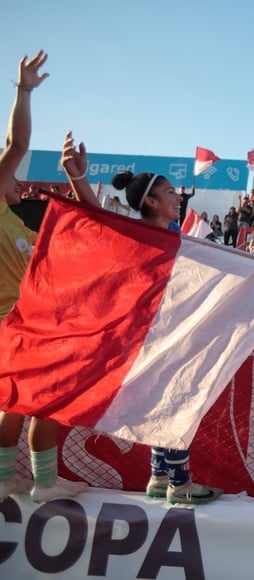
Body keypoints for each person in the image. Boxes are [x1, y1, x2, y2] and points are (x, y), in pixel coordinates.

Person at [62, 132, 222, 505]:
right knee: (176, 402)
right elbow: (95, 215)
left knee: (162, 401)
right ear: (150, 201)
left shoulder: (175, 234)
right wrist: (77, 178)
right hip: (149, 334)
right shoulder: (135, 234)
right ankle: (180, 483)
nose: (178, 197)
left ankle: (159, 477)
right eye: (169, 193)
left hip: (160, 332)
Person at [0, 51, 89, 504]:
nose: (15, 176)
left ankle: (9, 481)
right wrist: (24, 90)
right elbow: (16, 144)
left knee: (15, 401)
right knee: (44, 399)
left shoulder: (14, 221)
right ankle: (45, 483)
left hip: (21, 325)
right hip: (16, 325)